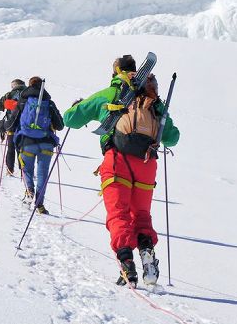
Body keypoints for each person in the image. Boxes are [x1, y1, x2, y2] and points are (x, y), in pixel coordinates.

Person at [63, 54, 179, 286]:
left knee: (119, 213)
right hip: (147, 163)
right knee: (142, 215)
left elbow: (69, 119)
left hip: (117, 160)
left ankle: (127, 263)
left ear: (116, 71)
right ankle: (147, 254)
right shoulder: (151, 96)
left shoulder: (110, 93)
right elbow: (172, 137)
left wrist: (79, 107)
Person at [4, 77, 64, 214]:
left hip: (27, 142)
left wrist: (4, 126)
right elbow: (60, 125)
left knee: (27, 170)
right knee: (43, 175)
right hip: (46, 144)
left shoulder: (23, 101)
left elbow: (12, 123)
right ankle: (40, 205)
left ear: (29, 86)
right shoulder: (49, 103)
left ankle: (29, 191)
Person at [0, 79, 26, 176]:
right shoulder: (28, 94)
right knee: (21, 148)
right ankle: (23, 170)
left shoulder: (9, 94)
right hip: (25, 126)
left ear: (15, 86)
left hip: (11, 124)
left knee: (10, 148)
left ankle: (9, 170)